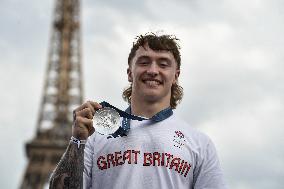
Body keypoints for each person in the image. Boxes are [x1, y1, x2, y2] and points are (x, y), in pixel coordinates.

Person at [49, 33, 227, 189]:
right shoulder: (95, 137)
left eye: (163, 64)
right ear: (129, 73)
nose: (152, 70)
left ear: (176, 76)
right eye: (144, 62)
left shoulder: (200, 144)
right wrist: (77, 140)